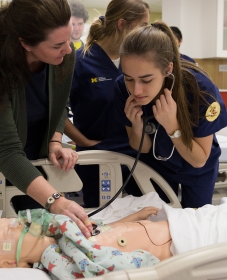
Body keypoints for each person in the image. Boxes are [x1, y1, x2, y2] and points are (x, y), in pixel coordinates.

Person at [0, 0, 92, 238]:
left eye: (69, 39)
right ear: (25, 43)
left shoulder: (63, 56)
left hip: (33, 168)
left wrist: (55, 140)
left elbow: (60, 104)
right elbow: (6, 151)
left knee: (42, 242)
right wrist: (56, 201)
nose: (69, 49)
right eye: (58, 44)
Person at [0, 186, 227, 278]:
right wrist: (59, 224)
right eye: (8, 230)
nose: (16, 222)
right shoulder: (54, 258)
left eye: (10, 220)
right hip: (185, 246)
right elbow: (95, 263)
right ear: (10, 263)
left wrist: (135, 217)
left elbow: (102, 231)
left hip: (176, 225)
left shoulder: (59, 237)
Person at [114, 21, 227, 208]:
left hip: (196, 168)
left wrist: (172, 127)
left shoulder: (201, 90)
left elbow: (199, 159)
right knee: (158, 222)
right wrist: (137, 126)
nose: (136, 90)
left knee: (195, 222)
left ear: (168, 69)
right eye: (129, 78)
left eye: (146, 79)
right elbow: (141, 148)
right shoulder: (122, 88)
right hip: (156, 164)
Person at [64, 0, 151, 207]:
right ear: (122, 24)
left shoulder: (136, 60)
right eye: (143, 25)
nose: (146, 32)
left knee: (141, 220)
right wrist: (83, 142)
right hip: (98, 157)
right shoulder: (80, 61)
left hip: (138, 156)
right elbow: (57, 112)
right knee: (103, 221)